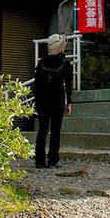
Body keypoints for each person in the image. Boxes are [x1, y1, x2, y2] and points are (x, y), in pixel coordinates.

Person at [33, 34, 73, 168]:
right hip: (58, 100)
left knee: (42, 130)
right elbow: (68, 84)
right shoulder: (66, 63)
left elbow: (36, 84)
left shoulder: (41, 62)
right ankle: (53, 160)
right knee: (56, 130)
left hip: (42, 101)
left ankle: (39, 161)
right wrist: (69, 103)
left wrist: (37, 100)